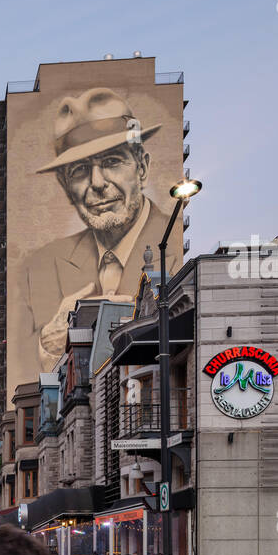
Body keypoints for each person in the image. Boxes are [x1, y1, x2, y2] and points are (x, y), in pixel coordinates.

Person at [20, 87, 182, 370]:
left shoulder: (170, 246)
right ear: (65, 187)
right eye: (80, 170)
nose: (97, 182)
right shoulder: (38, 266)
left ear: (142, 168)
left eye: (112, 162)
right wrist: (49, 346)